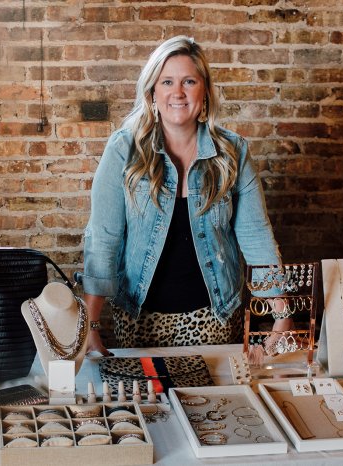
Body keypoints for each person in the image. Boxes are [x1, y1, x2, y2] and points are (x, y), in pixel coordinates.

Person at [79, 36, 289, 355]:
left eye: (189, 81)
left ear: (204, 91)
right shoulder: (123, 149)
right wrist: (91, 325)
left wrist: (282, 315)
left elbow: (255, 236)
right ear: (153, 92)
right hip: (140, 324)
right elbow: (103, 238)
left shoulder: (233, 152)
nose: (177, 92)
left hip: (216, 320)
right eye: (167, 82)